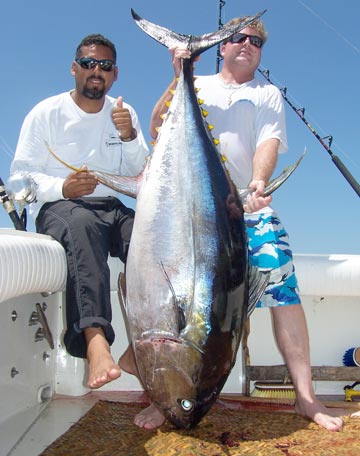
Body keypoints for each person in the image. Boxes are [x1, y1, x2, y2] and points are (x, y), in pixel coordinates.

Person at [130, 17, 347, 431]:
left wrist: (258, 183)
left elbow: (268, 142)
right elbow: (158, 124)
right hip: (189, 207)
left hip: (244, 206)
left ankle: (306, 397)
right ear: (222, 47)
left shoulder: (266, 94)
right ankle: (166, 395)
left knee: (282, 292)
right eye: (238, 38)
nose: (247, 44)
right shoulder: (199, 86)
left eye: (256, 41)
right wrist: (179, 75)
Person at [10, 34, 149, 390]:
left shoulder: (124, 113)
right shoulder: (47, 112)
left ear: (115, 74)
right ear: (74, 68)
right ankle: (95, 341)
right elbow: (19, 178)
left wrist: (130, 136)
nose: (96, 71)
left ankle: (141, 346)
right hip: (62, 209)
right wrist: (62, 188)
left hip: (113, 207)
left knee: (152, 241)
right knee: (82, 225)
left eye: (104, 66)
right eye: (88, 63)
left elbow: (143, 175)